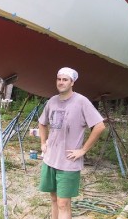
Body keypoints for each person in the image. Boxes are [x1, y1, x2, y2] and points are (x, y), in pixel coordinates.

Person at [38, 67, 106, 219]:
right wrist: (43, 142)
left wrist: (83, 150)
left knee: (63, 203)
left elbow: (100, 126)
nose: (61, 82)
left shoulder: (81, 101)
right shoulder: (52, 101)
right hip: (50, 160)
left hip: (68, 162)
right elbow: (42, 123)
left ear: (72, 82)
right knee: (54, 199)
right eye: (59, 79)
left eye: (65, 80)